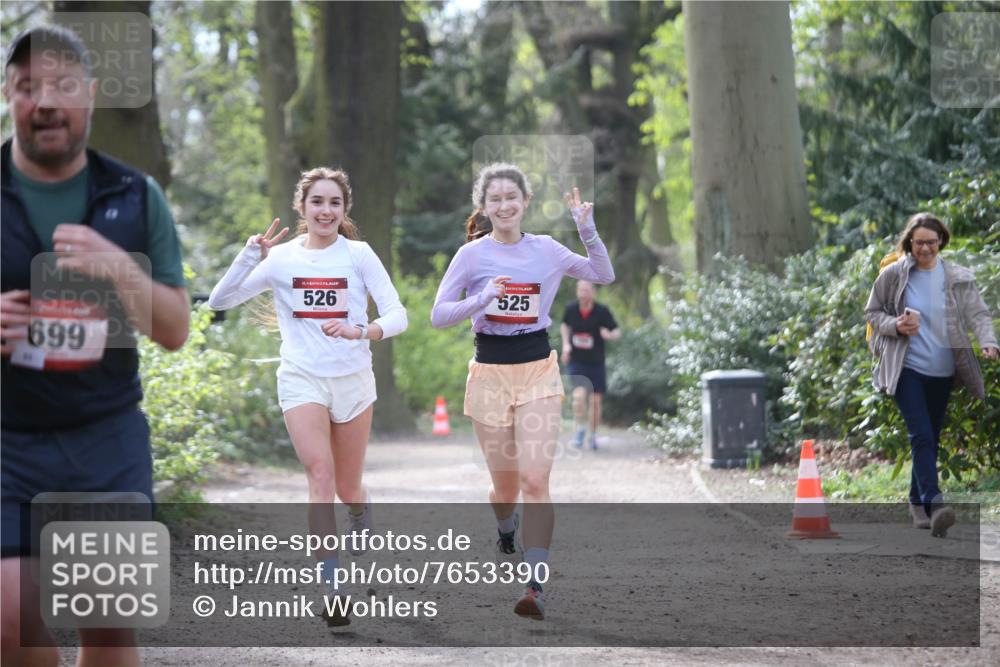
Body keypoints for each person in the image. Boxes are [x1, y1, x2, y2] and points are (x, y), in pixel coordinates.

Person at [1, 26, 190, 667]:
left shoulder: (136, 196)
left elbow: (174, 330)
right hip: (6, 442)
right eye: (28, 88)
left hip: (104, 438)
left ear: (90, 95)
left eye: (61, 85)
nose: (44, 102)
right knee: (9, 622)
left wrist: (121, 268)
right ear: (9, 96)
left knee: (108, 625)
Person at [208, 166, 407, 625]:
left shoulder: (358, 255)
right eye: (317, 201)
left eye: (334, 202)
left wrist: (364, 330)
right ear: (302, 207)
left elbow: (398, 314)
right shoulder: (280, 260)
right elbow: (220, 302)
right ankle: (333, 589)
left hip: (353, 380)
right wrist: (248, 255)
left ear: (344, 209)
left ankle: (360, 508)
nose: (326, 210)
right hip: (301, 379)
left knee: (346, 486)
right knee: (319, 477)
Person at [431, 162, 614, 620]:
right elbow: (438, 314)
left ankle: (534, 586)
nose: (504, 205)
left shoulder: (547, 249)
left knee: (535, 480)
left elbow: (603, 274)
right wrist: (481, 300)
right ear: (484, 207)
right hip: (489, 373)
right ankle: (504, 526)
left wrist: (586, 229)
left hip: (537, 370)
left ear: (525, 202)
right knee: (505, 488)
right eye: (495, 199)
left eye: (512, 197)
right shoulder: (471, 256)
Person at [864, 212, 997, 537]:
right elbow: (872, 312)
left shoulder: (956, 276)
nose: (925, 249)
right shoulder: (894, 274)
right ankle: (936, 505)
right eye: (919, 242)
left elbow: (978, 313)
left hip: (943, 372)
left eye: (931, 243)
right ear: (909, 242)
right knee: (922, 435)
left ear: (941, 242)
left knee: (929, 438)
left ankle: (916, 502)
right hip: (906, 369)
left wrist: (988, 341)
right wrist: (895, 325)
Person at [560, 279, 620, 450]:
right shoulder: (571, 309)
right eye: (581, 290)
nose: (583, 293)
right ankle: (580, 430)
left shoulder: (601, 311)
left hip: (596, 362)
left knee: (595, 402)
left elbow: (616, 331)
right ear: (577, 291)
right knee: (578, 397)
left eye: (587, 290)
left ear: (593, 292)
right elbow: (565, 325)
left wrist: (609, 335)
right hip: (577, 361)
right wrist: (566, 345)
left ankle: (593, 436)